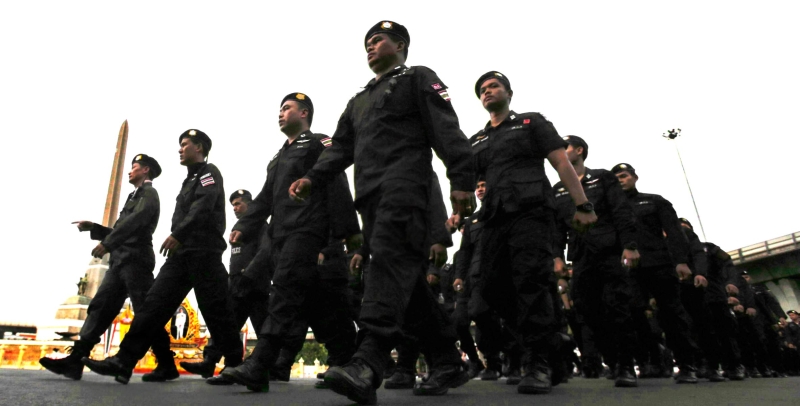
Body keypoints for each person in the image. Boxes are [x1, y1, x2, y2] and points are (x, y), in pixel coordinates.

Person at [288, 21, 476, 405]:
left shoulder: (417, 78)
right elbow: (339, 149)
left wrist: (461, 179)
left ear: (401, 45)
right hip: (371, 200)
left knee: (387, 267)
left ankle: (368, 362)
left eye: (378, 40)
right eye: (367, 43)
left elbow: (446, 128)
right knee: (407, 282)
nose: (370, 47)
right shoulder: (358, 100)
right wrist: (311, 178)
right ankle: (445, 358)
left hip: (406, 190)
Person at [221, 93, 362, 392]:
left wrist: (346, 234)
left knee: (283, 292)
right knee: (321, 303)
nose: (281, 113)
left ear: (305, 113)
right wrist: (245, 226)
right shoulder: (278, 157)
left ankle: (260, 365)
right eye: (280, 109)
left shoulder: (317, 143)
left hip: (309, 231)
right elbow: (265, 198)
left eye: (287, 108)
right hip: (281, 236)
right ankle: (347, 361)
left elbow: (336, 184)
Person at [467, 71, 596, 394]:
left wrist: (582, 203)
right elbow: (467, 180)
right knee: (491, 288)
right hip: (495, 217)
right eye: (482, 90)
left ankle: (537, 360)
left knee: (530, 281)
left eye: (494, 86)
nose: (487, 91)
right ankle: (552, 341)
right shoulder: (478, 140)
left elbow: (560, 163)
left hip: (532, 211)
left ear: (509, 92)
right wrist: (458, 212)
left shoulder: (531, 123)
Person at [82, 129, 244, 384]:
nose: (180, 149)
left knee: (217, 311)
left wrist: (178, 234)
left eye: (184, 144)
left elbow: (203, 206)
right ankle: (124, 360)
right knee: (153, 306)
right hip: (181, 256)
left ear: (199, 147)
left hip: (204, 254)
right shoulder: (188, 180)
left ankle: (236, 364)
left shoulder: (209, 172)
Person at [39, 154, 173, 381]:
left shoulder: (149, 194)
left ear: (146, 170)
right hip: (120, 260)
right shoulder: (134, 196)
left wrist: (107, 243)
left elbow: (135, 224)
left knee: (144, 312)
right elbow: (123, 229)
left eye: (134, 167)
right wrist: (96, 229)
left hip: (136, 259)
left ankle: (166, 363)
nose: (130, 171)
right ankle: (75, 361)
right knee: (100, 307)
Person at [552, 136, 640, 387]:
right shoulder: (558, 189)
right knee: (588, 311)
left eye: (565, 147)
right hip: (581, 257)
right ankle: (613, 361)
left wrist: (630, 246)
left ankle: (626, 366)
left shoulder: (602, 178)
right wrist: (557, 256)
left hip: (610, 252)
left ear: (579, 151)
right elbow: (556, 227)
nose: (561, 151)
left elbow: (621, 211)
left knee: (617, 306)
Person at [611, 163, 700, 383]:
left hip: (659, 264)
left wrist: (681, 261)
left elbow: (674, 232)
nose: (621, 180)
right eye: (617, 178)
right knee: (634, 315)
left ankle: (687, 364)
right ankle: (651, 361)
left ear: (635, 177)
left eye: (624, 176)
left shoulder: (654, 201)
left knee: (672, 314)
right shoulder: (612, 209)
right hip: (629, 270)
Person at [180, 189, 272, 382]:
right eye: (233, 205)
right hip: (237, 284)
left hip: (255, 287)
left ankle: (267, 366)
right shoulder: (238, 227)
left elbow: (265, 252)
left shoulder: (261, 226)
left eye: (239, 204)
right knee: (224, 326)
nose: (235, 209)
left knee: (264, 329)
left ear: (250, 204)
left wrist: (249, 274)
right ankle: (211, 362)